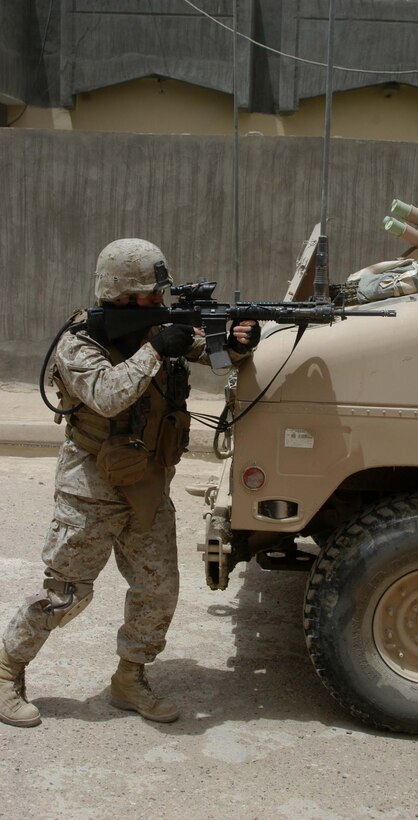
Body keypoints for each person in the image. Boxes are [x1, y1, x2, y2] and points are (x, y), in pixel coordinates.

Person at [0, 238, 260, 728]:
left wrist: (238, 344)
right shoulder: (78, 342)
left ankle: (130, 678)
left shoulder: (159, 326)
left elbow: (216, 359)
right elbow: (107, 395)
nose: (159, 303)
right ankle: (6, 668)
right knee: (67, 593)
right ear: (120, 293)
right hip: (91, 491)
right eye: (148, 295)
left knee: (157, 590)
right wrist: (156, 349)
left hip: (148, 484)